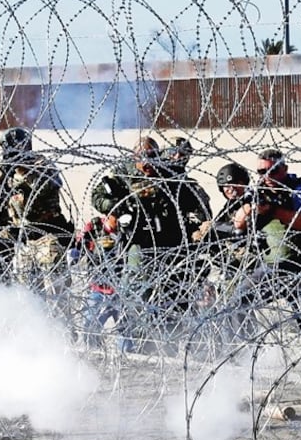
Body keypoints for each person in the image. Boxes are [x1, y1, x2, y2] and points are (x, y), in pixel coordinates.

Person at [85, 136, 211, 350]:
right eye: (141, 157)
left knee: (172, 297)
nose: (146, 162)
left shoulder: (171, 175)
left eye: (152, 156)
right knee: (135, 293)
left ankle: (167, 347)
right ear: (134, 157)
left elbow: (200, 205)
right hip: (138, 244)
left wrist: (198, 223)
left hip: (171, 245)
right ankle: (134, 345)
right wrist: (117, 207)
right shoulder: (123, 173)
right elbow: (98, 196)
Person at [0, 126, 73, 307]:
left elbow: (45, 187)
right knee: (30, 295)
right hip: (24, 239)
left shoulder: (42, 164)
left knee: (57, 292)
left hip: (47, 236)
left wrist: (23, 170)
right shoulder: (7, 169)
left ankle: (62, 324)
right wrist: (3, 170)